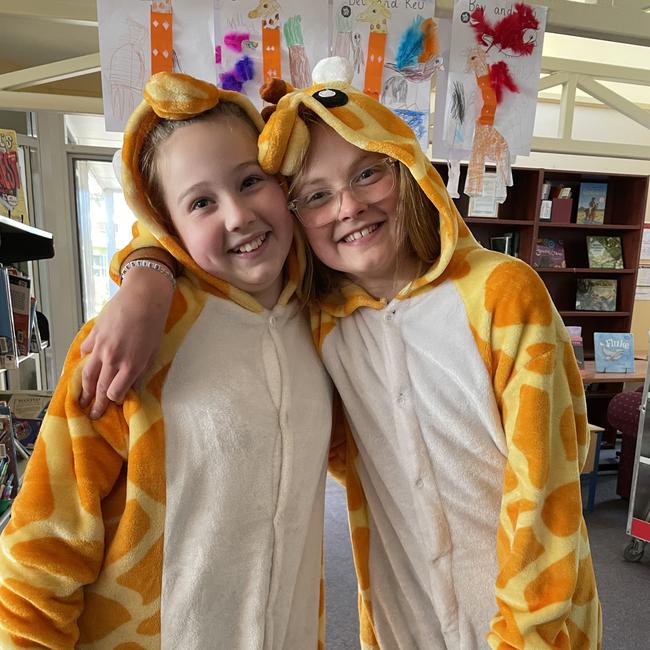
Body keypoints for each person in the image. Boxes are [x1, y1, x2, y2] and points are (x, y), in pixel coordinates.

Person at [81, 58, 602, 648]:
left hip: (530, 627)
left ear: (406, 166)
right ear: (297, 215)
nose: (347, 207)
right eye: (315, 195)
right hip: (405, 626)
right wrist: (146, 273)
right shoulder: (325, 318)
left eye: (366, 175)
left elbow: (549, 503)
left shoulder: (502, 295)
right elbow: (189, 215)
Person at [0, 72, 332, 649]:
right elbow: (41, 549)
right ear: (168, 226)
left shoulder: (325, 319)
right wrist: (148, 272)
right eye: (201, 202)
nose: (237, 215)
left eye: (251, 181)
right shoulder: (124, 342)